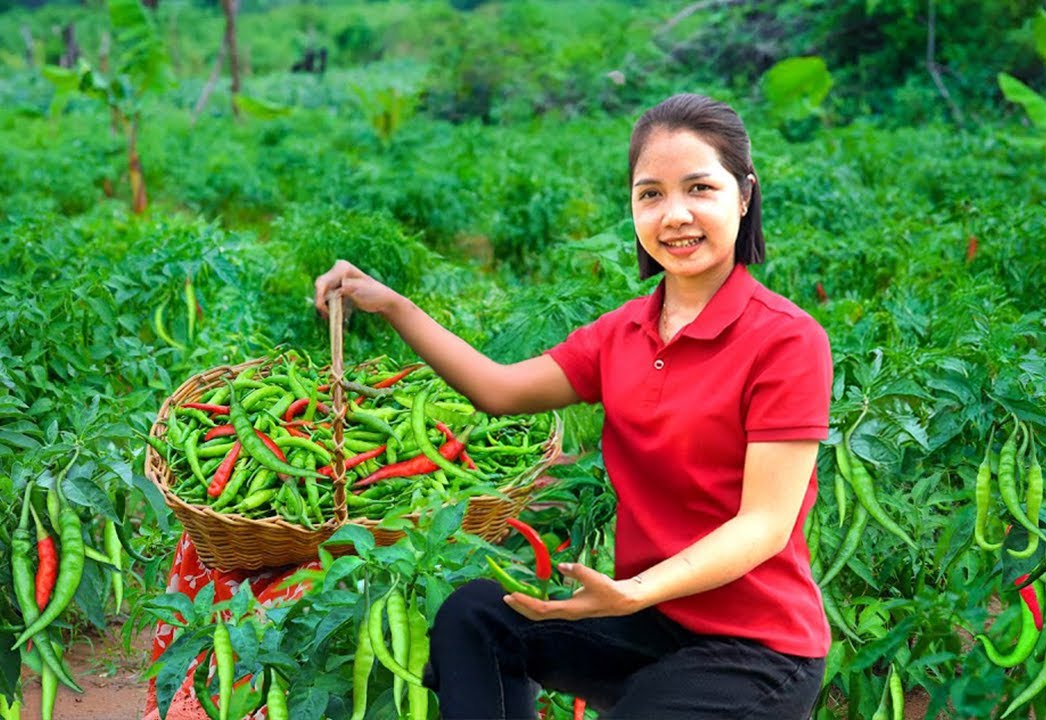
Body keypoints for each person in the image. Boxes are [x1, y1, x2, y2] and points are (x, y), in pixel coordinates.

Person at [313, 92, 833, 719]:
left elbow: (764, 526)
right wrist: (392, 304)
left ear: (744, 195)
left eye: (699, 188)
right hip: (649, 621)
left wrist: (631, 591)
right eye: (651, 194)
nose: (675, 215)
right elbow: (498, 391)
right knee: (476, 618)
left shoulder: (785, 339)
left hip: (756, 651)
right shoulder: (623, 333)